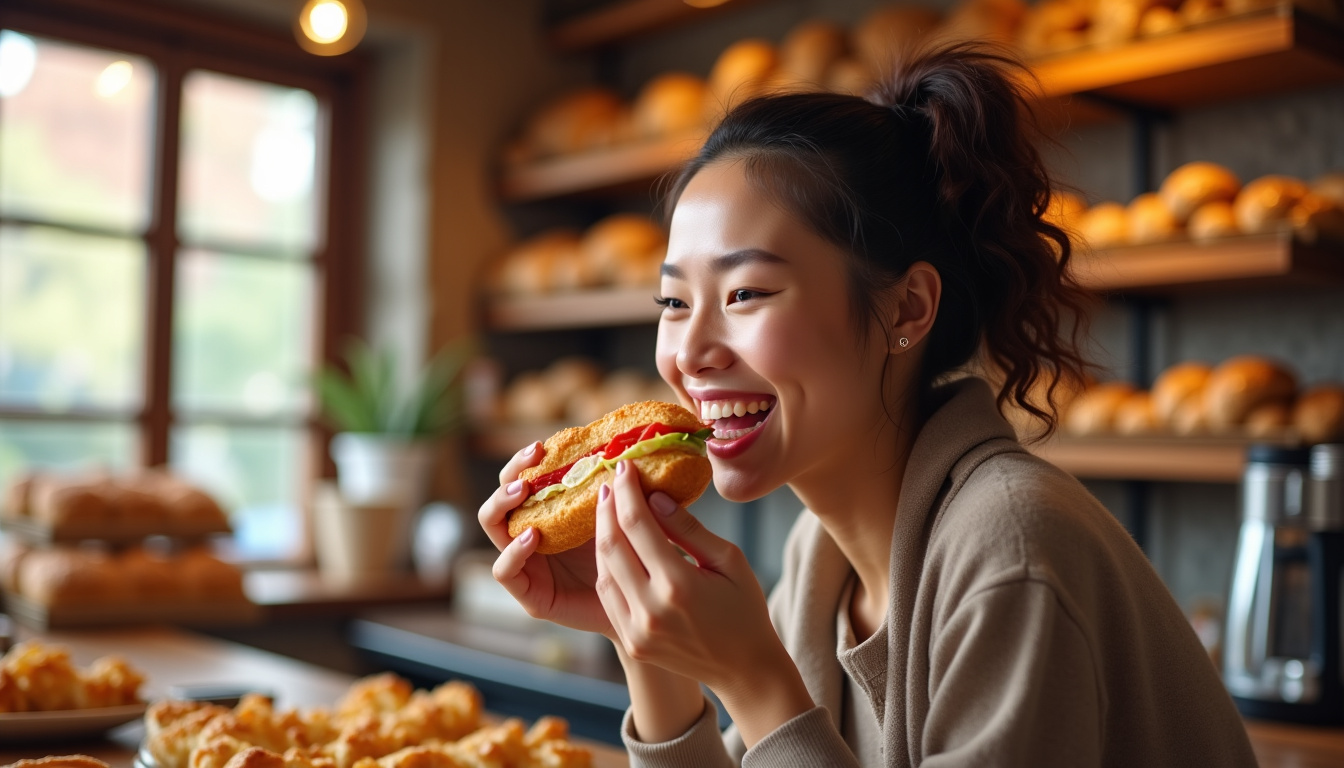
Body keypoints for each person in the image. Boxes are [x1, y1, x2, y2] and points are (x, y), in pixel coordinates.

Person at [478, 43, 1256, 767]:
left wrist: (757, 681)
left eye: (746, 292)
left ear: (908, 309)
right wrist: (642, 643)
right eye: (675, 302)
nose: (689, 354)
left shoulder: (1011, 549)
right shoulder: (818, 564)